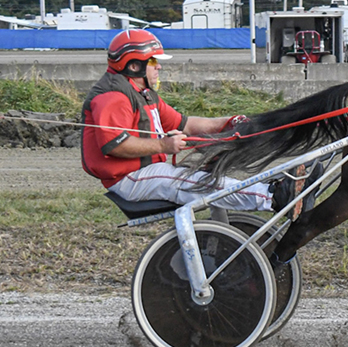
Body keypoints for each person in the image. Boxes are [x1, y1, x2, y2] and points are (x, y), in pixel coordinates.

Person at [81, 29, 320, 217]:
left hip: (145, 171)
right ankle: (274, 196)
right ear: (134, 65)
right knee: (195, 184)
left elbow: (184, 124)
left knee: (206, 178)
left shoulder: (142, 92)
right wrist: (164, 146)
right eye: (154, 62)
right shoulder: (113, 97)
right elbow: (114, 145)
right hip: (128, 179)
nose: (159, 67)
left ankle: (274, 192)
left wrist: (225, 123)